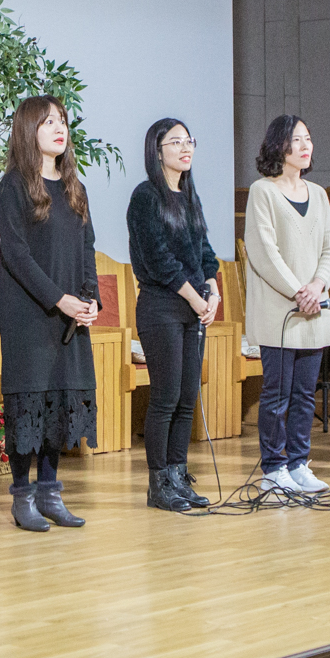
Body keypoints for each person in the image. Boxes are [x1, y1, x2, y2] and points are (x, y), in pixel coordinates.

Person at [0, 96, 99, 532]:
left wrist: (90, 299)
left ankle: (50, 493)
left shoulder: (75, 188)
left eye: (62, 121)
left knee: (60, 400)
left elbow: (87, 248)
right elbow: (17, 256)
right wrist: (60, 299)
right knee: (29, 402)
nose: (59, 128)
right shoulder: (13, 187)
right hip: (29, 315)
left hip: (70, 317)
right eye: (48, 121)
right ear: (28, 129)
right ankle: (23, 497)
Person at [126, 118, 221, 512]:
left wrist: (212, 289)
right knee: (165, 397)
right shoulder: (146, 197)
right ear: (157, 150)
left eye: (189, 141)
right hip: (161, 306)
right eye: (176, 142)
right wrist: (196, 299)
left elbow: (205, 253)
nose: (186, 148)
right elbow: (160, 261)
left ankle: (179, 476)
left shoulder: (189, 196)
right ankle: (159, 483)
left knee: (186, 396)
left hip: (194, 308)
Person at [242, 115, 330, 495]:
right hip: (279, 311)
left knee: (304, 395)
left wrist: (318, 285)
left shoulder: (319, 194)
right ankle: (274, 468)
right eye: (296, 139)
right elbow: (264, 252)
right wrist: (300, 291)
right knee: (277, 395)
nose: (305, 145)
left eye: (308, 138)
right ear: (278, 145)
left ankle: (299, 463)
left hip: (314, 310)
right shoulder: (262, 191)